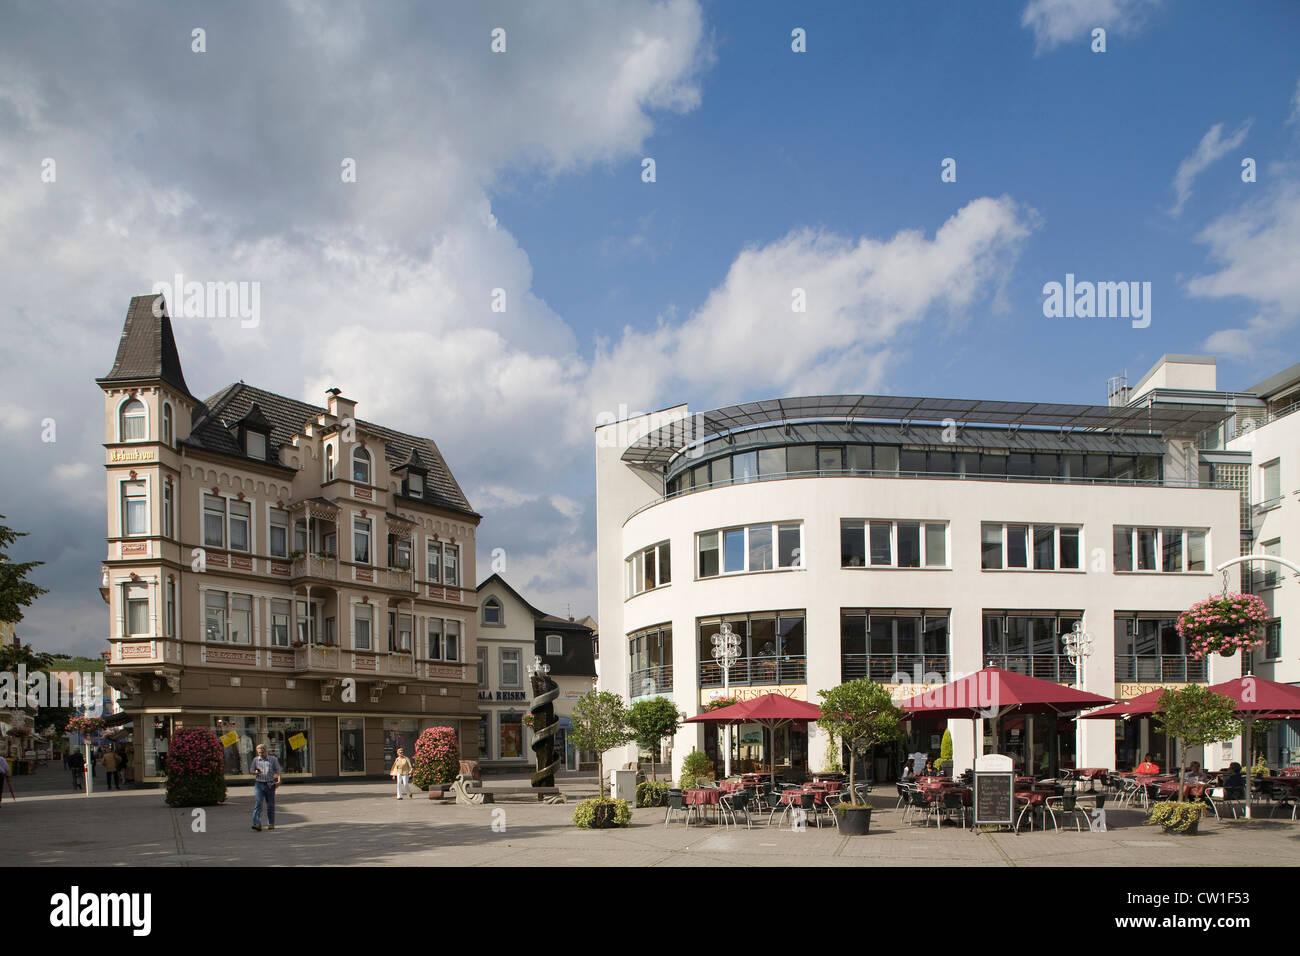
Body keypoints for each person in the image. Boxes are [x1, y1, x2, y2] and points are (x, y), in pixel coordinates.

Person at [250, 743, 282, 831]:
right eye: (259, 753)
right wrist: (255, 772)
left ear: (266, 751)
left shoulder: (273, 759)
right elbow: (251, 770)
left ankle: (271, 823)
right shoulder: (255, 760)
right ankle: (257, 824)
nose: (261, 754)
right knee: (258, 803)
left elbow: (278, 770)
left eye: (262, 752)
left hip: (270, 784)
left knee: (270, 805)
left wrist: (279, 780)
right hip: (259, 784)